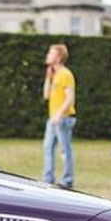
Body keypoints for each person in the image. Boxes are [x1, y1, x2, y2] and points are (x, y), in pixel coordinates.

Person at [42, 43, 76, 188]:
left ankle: (67, 180)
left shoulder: (66, 74)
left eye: (51, 53)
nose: (48, 55)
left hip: (63, 119)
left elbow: (70, 98)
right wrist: (48, 78)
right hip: (53, 119)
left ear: (59, 57)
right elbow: (46, 96)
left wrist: (59, 115)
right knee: (48, 147)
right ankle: (48, 178)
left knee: (65, 150)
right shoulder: (54, 75)